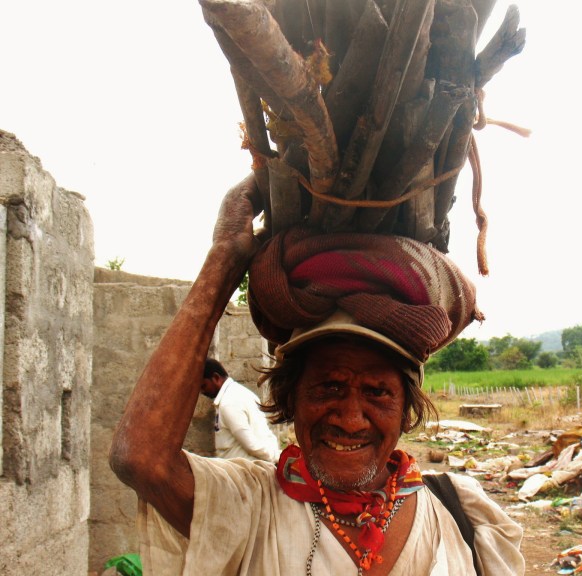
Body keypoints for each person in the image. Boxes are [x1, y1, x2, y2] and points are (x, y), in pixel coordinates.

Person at [109, 173, 524, 575]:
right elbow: (141, 459)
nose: (349, 418)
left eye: (378, 392)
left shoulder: (461, 512)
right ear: (293, 398)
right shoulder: (251, 506)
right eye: (330, 386)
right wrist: (225, 257)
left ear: (405, 409)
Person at [201, 357, 280, 463]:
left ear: (216, 378)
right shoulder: (239, 393)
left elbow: (252, 446)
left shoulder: (229, 403)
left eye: (203, 385)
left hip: (244, 474)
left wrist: (276, 457)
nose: (202, 391)